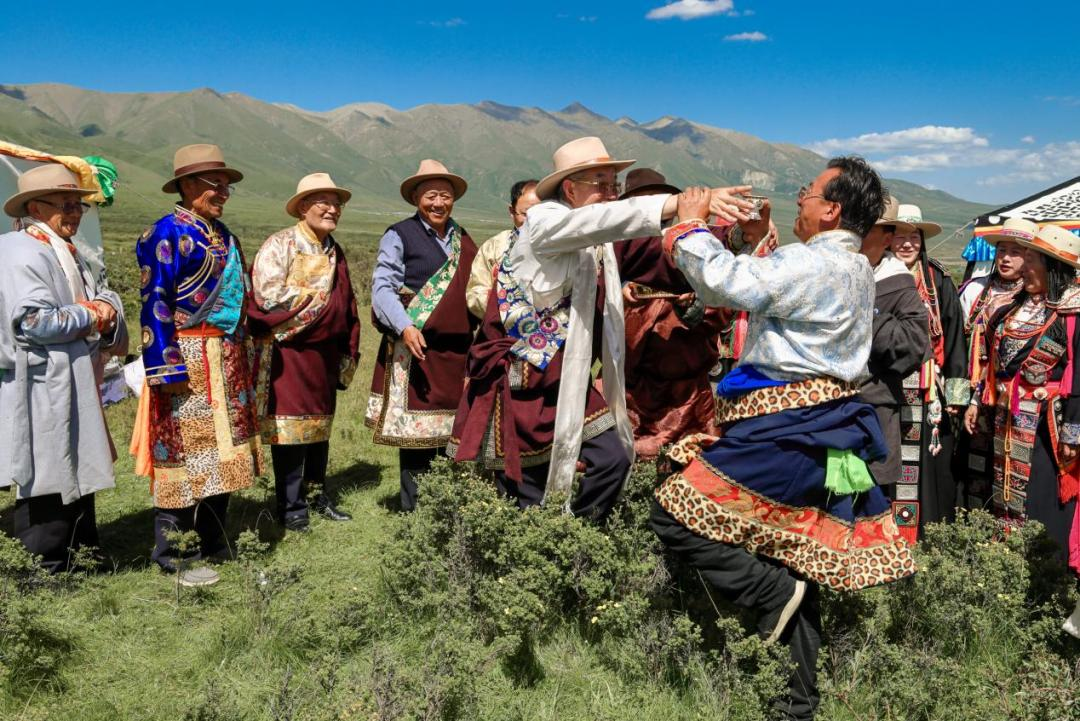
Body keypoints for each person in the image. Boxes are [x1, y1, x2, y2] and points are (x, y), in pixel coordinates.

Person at [650, 157, 916, 721]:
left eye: (807, 191)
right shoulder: (854, 265)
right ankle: (796, 704)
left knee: (675, 510)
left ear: (831, 209)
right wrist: (756, 240)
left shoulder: (814, 262)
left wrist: (691, 225)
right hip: (824, 428)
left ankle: (768, 598)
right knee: (797, 556)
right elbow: (782, 293)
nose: (799, 198)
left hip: (785, 429)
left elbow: (728, 282)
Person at [448, 136, 754, 520]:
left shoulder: (601, 239)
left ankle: (579, 537)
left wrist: (737, 237)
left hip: (567, 381)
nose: (613, 195)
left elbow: (658, 256)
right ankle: (532, 555)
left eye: (616, 186)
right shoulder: (544, 223)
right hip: (521, 381)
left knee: (612, 456)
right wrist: (674, 204)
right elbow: (597, 222)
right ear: (570, 189)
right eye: (602, 185)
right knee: (526, 485)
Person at [131, 144, 263, 586]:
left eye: (226, 185)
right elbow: (156, 306)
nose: (223, 192)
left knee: (222, 455)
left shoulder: (225, 236)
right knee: (185, 456)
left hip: (226, 359)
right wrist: (165, 369)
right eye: (214, 184)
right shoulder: (164, 234)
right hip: (185, 359)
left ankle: (214, 540)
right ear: (187, 186)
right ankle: (174, 553)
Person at [0, 164, 128, 573]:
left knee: (73, 458)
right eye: (65, 204)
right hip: (41, 382)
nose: (74, 212)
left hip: (68, 377)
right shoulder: (21, 252)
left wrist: (103, 308)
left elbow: (99, 296)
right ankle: (44, 564)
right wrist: (94, 314)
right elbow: (33, 322)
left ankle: (81, 552)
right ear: (36, 207)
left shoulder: (62, 249)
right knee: (47, 466)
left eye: (79, 205)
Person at [962, 224, 1080, 638]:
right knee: (1005, 493)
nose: (1024, 266)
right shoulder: (1008, 309)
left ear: (1054, 267)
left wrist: (1071, 424)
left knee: (1042, 500)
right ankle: (1007, 579)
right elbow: (989, 360)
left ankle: (1044, 584)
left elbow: (1076, 373)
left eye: (1032, 259)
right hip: (1008, 420)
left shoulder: (1070, 313)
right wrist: (978, 398)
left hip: (1049, 427)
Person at [250, 173, 360, 532]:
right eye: (322, 202)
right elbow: (266, 296)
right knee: (289, 431)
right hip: (289, 352)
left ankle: (316, 495)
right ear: (302, 207)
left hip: (323, 354)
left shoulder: (334, 251)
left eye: (336, 203)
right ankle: (292, 507)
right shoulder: (280, 244)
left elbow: (346, 303)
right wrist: (319, 305)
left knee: (320, 428)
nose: (332, 209)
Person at [367, 160, 479, 511]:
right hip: (416, 345)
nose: (438, 203)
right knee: (417, 435)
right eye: (431, 195)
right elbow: (382, 287)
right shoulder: (399, 234)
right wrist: (405, 326)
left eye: (445, 196)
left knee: (450, 431)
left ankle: (444, 507)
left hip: (457, 351)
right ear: (416, 198)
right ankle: (414, 509)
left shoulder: (464, 240)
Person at [619, 168, 730, 458]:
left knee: (691, 468)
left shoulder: (694, 244)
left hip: (687, 395)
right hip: (631, 391)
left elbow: (721, 305)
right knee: (626, 462)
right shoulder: (613, 251)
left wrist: (694, 308)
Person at [888, 204, 968, 539]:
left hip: (930, 392)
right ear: (889, 240)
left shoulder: (939, 281)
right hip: (889, 390)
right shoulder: (876, 275)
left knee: (931, 468)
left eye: (913, 237)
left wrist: (957, 397)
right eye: (900, 237)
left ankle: (930, 536)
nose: (907, 244)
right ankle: (889, 534)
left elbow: (955, 341)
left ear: (922, 241)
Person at [856, 196, 929, 495]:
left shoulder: (897, 282)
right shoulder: (828, 269)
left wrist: (865, 314)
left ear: (886, 238)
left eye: (864, 229)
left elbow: (913, 344)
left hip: (872, 408)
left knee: (867, 500)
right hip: (825, 407)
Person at [956, 219, 1029, 507]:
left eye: (1014, 251)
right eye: (1002, 251)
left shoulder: (1032, 297)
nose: (1006, 258)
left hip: (1005, 394)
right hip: (968, 388)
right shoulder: (974, 291)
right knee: (966, 456)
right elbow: (957, 345)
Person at [465, 179, 540, 318]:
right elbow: (475, 293)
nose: (533, 221)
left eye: (540, 214)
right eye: (525, 214)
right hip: (500, 328)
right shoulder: (494, 246)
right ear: (512, 211)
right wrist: (507, 306)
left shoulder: (560, 247)